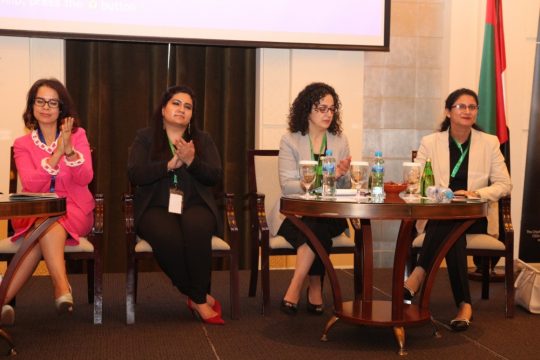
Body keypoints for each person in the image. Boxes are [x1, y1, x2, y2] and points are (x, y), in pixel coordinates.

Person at [405, 88, 512, 331]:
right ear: (448, 111)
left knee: (453, 226)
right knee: (453, 230)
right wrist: (440, 194)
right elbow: (416, 180)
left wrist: (476, 194)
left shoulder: (489, 142)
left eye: (472, 107)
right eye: (460, 106)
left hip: (475, 215)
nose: (467, 111)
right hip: (439, 213)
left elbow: (505, 184)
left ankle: (418, 274)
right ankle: (464, 304)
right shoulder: (430, 142)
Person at [127, 85, 225, 325]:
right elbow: (135, 174)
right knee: (167, 236)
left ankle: (197, 298)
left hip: (195, 204)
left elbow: (215, 176)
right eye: (176, 104)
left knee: (197, 228)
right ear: (163, 109)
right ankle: (198, 297)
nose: (182, 109)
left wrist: (191, 161)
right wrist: (167, 166)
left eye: (188, 106)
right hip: (155, 208)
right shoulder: (145, 137)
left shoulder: (203, 139)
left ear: (192, 115)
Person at [3, 78, 95, 324]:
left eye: (53, 102)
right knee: (44, 223)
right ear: (32, 106)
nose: (46, 107)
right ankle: (61, 286)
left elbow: (86, 177)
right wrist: (56, 155)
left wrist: (70, 152)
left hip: (74, 210)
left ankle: (3, 299)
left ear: (62, 109)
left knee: (43, 229)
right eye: (40, 101)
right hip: (34, 211)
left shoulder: (78, 136)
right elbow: (31, 184)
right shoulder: (22, 144)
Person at [268, 82, 352, 315]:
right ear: (307, 109)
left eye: (332, 109)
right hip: (294, 212)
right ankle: (313, 287)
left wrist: (343, 175)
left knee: (318, 222)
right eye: (321, 108)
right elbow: (288, 186)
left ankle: (294, 287)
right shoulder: (290, 140)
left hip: (330, 212)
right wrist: (325, 176)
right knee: (315, 227)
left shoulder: (339, 140)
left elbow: (344, 187)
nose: (328, 114)